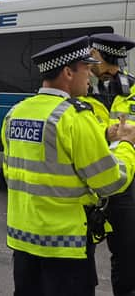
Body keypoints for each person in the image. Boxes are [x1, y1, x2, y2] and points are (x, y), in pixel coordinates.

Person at [1, 36, 135, 296]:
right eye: (86, 68)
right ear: (67, 72)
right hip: (66, 244)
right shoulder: (74, 117)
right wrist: (127, 146)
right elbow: (111, 181)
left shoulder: (16, 112)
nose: (89, 75)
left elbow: (11, 174)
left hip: (23, 241)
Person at [82, 33, 135, 296]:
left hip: (125, 182)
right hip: (90, 181)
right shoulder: (80, 93)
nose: (88, 61)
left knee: (126, 253)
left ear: (105, 59)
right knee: (81, 254)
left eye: (93, 55)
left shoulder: (134, 91)